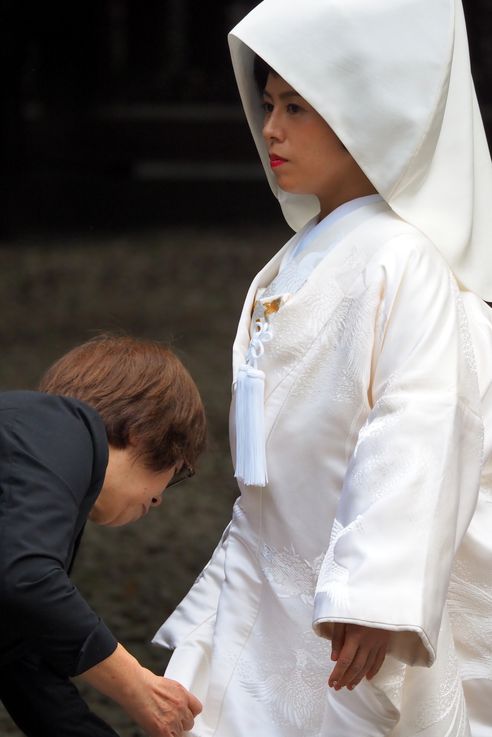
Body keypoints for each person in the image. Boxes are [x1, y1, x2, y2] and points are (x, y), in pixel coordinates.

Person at [153, 1, 492, 735]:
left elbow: (422, 422)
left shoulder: (406, 261)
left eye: (298, 107)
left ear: (364, 112)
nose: (270, 128)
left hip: (349, 586)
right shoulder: (289, 262)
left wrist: (376, 594)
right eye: (270, 103)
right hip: (273, 558)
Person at [0, 334, 206, 737]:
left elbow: (23, 662)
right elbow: (26, 578)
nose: (160, 499)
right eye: (177, 472)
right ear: (144, 432)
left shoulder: (32, 458)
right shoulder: (62, 425)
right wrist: (137, 685)